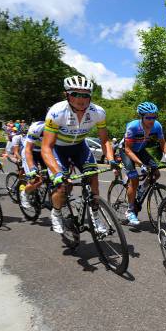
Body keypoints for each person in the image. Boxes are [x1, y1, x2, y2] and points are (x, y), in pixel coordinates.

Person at [41, 76, 119, 235]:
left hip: (80, 148)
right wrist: (57, 173)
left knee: (94, 178)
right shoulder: (56, 112)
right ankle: (56, 213)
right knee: (62, 186)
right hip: (58, 149)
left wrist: (111, 159)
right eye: (75, 94)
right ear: (67, 95)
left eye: (85, 95)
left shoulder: (98, 112)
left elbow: (104, 141)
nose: (80, 99)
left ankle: (95, 216)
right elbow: (46, 147)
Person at [121, 102, 166, 226]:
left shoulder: (157, 126)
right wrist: (140, 164)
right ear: (142, 117)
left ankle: (140, 190)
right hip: (126, 151)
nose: (151, 120)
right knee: (134, 179)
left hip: (140, 150)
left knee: (156, 173)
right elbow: (127, 149)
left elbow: (163, 143)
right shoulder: (133, 126)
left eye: (154, 117)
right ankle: (130, 210)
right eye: (148, 117)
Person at [19, 121, 47, 209]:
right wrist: (32, 168)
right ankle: (24, 194)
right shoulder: (37, 127)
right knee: (35, 179)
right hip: (30, 151)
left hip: (43, 152)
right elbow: (28, 149)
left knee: (52, 177)